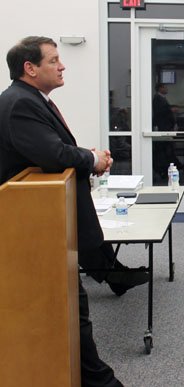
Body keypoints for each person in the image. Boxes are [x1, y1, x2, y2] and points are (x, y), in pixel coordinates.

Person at [0, 35, 135, 387]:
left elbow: (51, 150)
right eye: (53, 60)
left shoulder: (28, 99)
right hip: (33, 227)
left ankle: (94, 378)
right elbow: (54, 155)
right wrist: (91, 159)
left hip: (42, 225)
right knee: (70, 311)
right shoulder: (20, 103)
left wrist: (83, 157)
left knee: (71, 310)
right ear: (30, 68)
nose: (62, 66)